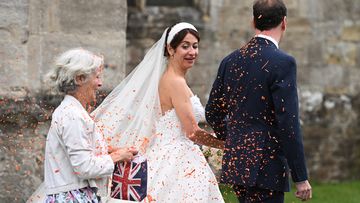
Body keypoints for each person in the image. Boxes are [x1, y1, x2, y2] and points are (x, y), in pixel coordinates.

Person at [92, 22, 225, 202]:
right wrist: (225, 145)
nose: (192, 52)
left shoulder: (172, 78)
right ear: (171, 49)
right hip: (176, 158)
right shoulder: (175, 82)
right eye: (185, 46)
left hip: (169, 152)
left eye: (195, 46)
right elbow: (192, 132)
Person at [205, 0, 312, 202]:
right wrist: (300, 177)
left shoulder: (230, 60)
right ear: (284, 23)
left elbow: (212, 111)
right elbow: (288, 123)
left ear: (253, 22)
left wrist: (234, 139)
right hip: (266, 166)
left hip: (238, 164)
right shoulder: (283, 62)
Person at [32, 48, 138, 203]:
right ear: (80, 78)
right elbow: (84, 166)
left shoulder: (71, 111)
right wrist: (117, 156)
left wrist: (114, 150)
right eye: (97, 77)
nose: (100, 83)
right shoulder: (72, 116)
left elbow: (80, 149)